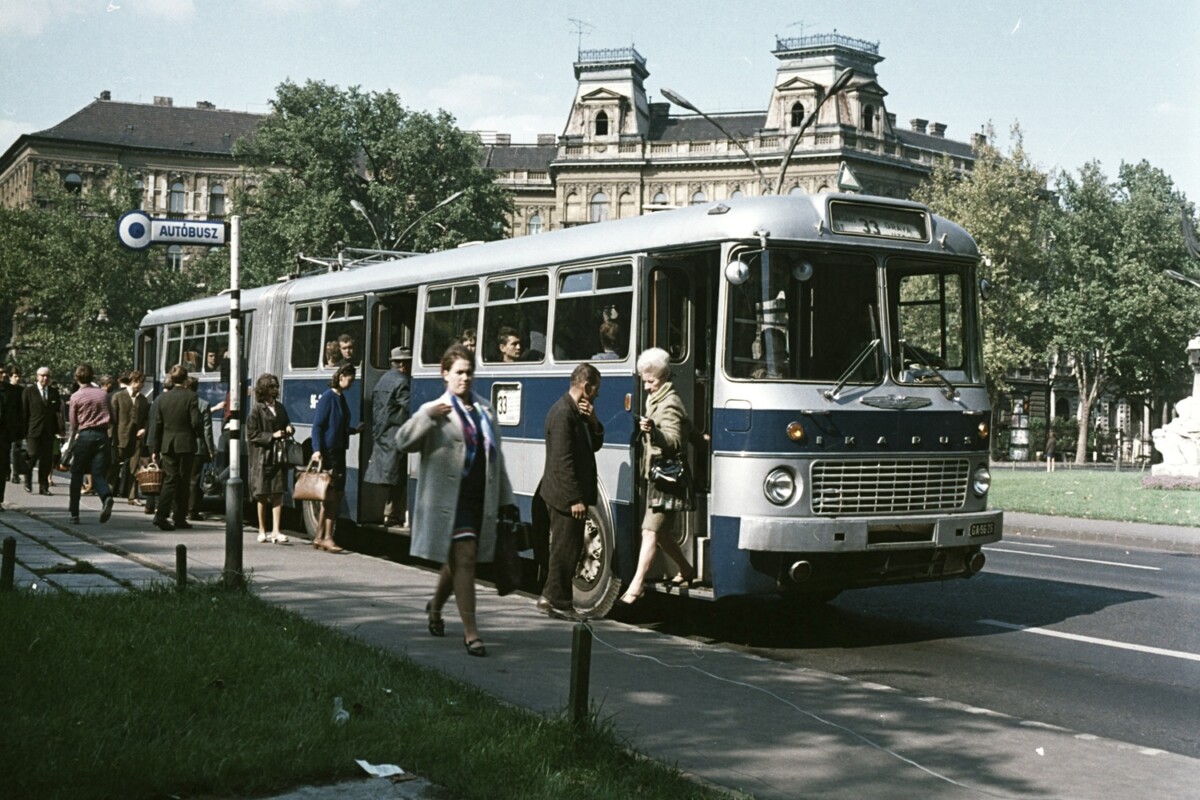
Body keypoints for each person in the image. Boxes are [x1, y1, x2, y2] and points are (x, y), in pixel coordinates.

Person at [397, 344, 516, 658]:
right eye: (459, 372)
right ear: (444, 374)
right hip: (450, 501)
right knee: (464, 558)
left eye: (469, 372)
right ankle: (472, 633)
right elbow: (402, 442)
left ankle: (435, 607)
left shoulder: (485, 409)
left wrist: (507, 500)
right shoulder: (437, 410)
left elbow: (496, 459)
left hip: (480, 498)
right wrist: (425, 415)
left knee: (462, 559)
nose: (465, 378)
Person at [620, 347, 695, 605]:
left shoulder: (669, 402)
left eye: (651, 381)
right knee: (660, 533)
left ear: (663, 377)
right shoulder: (659, 398)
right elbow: (688, 429)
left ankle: (637, 585)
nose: (647, 386)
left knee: (649, 531)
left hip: (667, 478)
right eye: (645, 381)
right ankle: (686, 570)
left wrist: (653, 431)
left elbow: (674, 441)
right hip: (659, 476)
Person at [535, 363, 603, 620]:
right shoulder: (563, 414)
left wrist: (593, 419)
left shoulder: (575, 412)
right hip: (563, 496)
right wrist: (575, 498)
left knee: (566, 548)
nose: (597, 394)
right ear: (586, 387)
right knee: (566, 550)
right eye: (596, 389)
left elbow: (594, 444)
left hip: (564, 493)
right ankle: (559, 603)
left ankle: (549, 597)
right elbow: (563, 460)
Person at [311, 363, 362, 552]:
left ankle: (319, 536)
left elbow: (337, 426)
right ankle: (327, 537)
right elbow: (318, 426)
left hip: (338, 451)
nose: (352, 383)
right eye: (350, 379)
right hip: (331, 453)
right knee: (332, 496)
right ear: (341, 377)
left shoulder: (340, 398)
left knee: (333, 496)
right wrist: (317, 450)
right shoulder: (328, 398)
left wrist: (354, 430)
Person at [149, 365, 204, 532]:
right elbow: (195, 422)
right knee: (183, 480)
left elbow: (158, 425)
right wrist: (198, 434)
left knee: (170, 479)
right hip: (185, 444)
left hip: (167, 444)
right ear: (186, 378)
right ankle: (174, 516)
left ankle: (166, 515)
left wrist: (155, 449)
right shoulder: (191, 397)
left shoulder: (163, 398)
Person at [363, 346, 412, 526]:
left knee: (391, 478)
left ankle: (388, 514)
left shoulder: (382, 380)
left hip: (382, 434)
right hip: (397, 435)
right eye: (407, 362)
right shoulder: (402, 382)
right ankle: (392, 515)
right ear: (402, 364)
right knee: (399, 478)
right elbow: (408, 408)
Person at [65, 363, 116, 525]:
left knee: (77, 473)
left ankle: (74, 513)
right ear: (93, 376)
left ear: (77, 378)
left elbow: (73, 424)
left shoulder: (75, 397)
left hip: (85, 435)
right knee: (99, 473)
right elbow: (112, 417)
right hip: (102, 436)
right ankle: (106, 496)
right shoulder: (103, 395)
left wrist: (70, 442)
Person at [246, 373, 293, 544]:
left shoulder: (280, 407)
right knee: (262, 494)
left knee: (278, 492)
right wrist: (272, 435)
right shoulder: (257, 409)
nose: (275, 390)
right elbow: (252, 434)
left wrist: (289, 428)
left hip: (278, 456)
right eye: (272, 387)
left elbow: (287, 422)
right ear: (264, 389)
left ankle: (276, 530)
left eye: (276, 387)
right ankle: (262, 529)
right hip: (263, 457)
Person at [111, 370, 150, 505]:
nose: (142, 386)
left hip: (137, 439)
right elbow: (112, 420)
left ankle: (132, 496)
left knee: (134, 468)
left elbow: (146, 418)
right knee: (114, 466)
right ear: (134, 381)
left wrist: (144, 429)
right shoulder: (118, 397)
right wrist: (111, 438)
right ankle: (108, 492)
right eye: (141, 383)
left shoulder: (143, 400)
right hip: (120, 437)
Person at [23, 366, 62, 496]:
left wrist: (58, 430)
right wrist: (24, 431)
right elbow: (24, 412)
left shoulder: (53, 392)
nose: (45, 378)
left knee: (46, 460)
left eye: (47, 376)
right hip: (33, 430)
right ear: (37, 376)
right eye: (42, 375)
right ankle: (27, 480)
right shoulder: (29, 391)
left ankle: (43, 486)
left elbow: (57, 412)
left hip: (48, 431)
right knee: (32, 456)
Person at [185, 376, 216, 521]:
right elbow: (207, 430)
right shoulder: (204, 404)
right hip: (198, 447)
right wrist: (211, 449)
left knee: (181, 477)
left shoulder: (181, 403)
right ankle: (192, 510)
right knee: (194, 479)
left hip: (182, 445)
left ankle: (180, 508)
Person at [0, 364, 21, 509]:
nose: (1, 375)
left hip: (3, 435)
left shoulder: (11, 391)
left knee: (1, 468)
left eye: (2, 373)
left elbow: (17, 413)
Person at [8, 365, 23, 484]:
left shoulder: (22, 391)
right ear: (10, 377)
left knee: (16, 450)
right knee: (5, 450)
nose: (17, 379)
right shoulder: (6, 389)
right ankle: (6, 472)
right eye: (15, 376)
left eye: (19, 376)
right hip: (6, 424)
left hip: (17, 424)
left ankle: (15, 474)